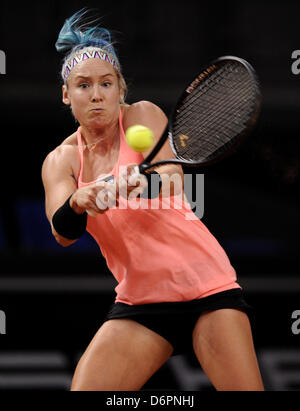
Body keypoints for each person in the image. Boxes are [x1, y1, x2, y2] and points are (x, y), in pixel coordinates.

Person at [42, 9, 264, 391]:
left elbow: (172, 178)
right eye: (82, 85)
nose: (96, 94)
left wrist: (135, 184)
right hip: (141, 303)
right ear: (66, 94)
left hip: (206, 289)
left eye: (106, 84)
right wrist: (79, 199)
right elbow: (63, 232)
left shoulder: (141, 115)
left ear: (121, 89)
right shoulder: (61, 161)